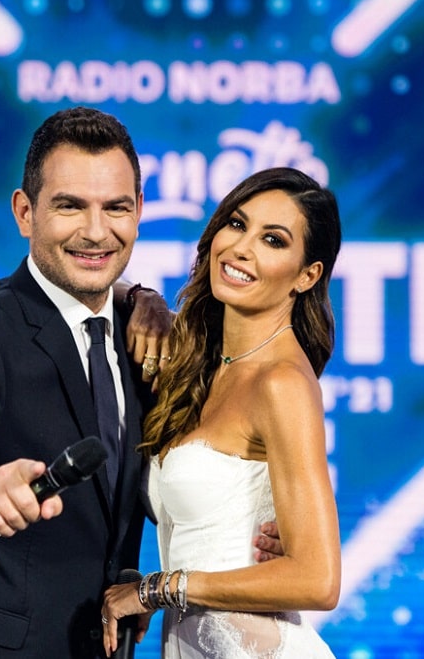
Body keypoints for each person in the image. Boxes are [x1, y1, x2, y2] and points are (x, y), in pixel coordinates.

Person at [0, 107, 281, 658]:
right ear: (25, 212)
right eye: (69, 206)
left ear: (139, 210)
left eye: (115, 207)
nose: (96, 232)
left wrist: (256, 531)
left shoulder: (148, 336)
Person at [101, 167, 343, 658]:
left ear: (307, 275)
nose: (241, 248)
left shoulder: (282, 383)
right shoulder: (205, 363)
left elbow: (318, 579)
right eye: (237, 224)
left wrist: (156, 590)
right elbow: (95, 281)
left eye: (272, 240)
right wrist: (144, 298)